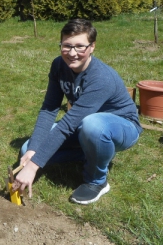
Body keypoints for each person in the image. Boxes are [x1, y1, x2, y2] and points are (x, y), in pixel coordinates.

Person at [13, 19, 142, 205]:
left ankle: (97, 181)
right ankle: (91, 153)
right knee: (27, 149)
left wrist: (33, 166)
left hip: (122, 127)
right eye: (67, 46)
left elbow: (68, 124)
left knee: (93, 125)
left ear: (92, 47)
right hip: (83, 124)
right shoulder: (59, 66)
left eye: (80, 47)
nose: (72, 53)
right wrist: (34, 151)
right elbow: (50, 108)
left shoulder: (101, 78)